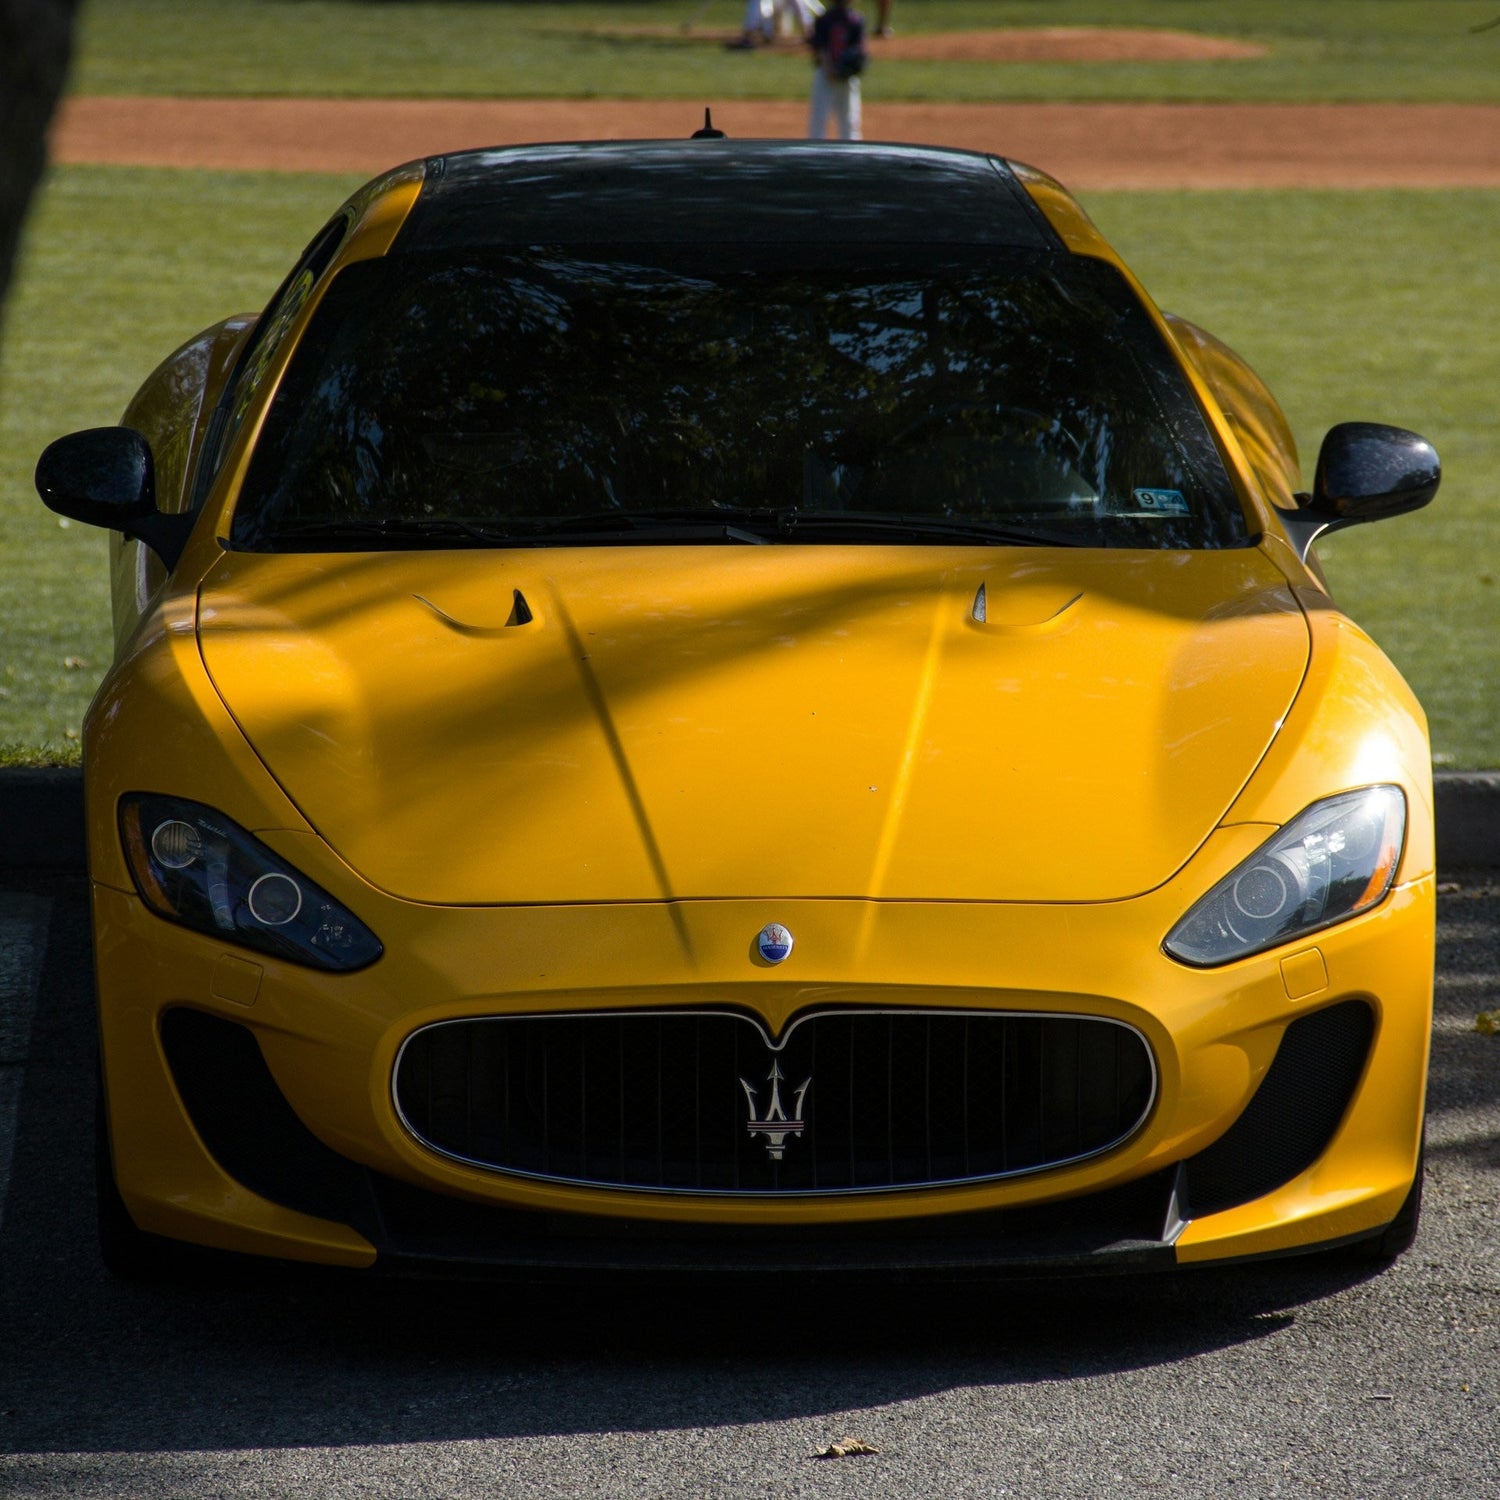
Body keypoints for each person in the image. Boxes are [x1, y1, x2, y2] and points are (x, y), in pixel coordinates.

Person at [807, 0, 865, 141]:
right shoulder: (825, 20)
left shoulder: (856, 20)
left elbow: (858, 51)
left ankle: (853, 156)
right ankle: (815, 156)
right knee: (819, 119)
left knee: (850, 120)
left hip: (847, 78)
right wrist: (829, 69)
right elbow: (820, 48)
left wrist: (849, 70)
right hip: (825, 76)